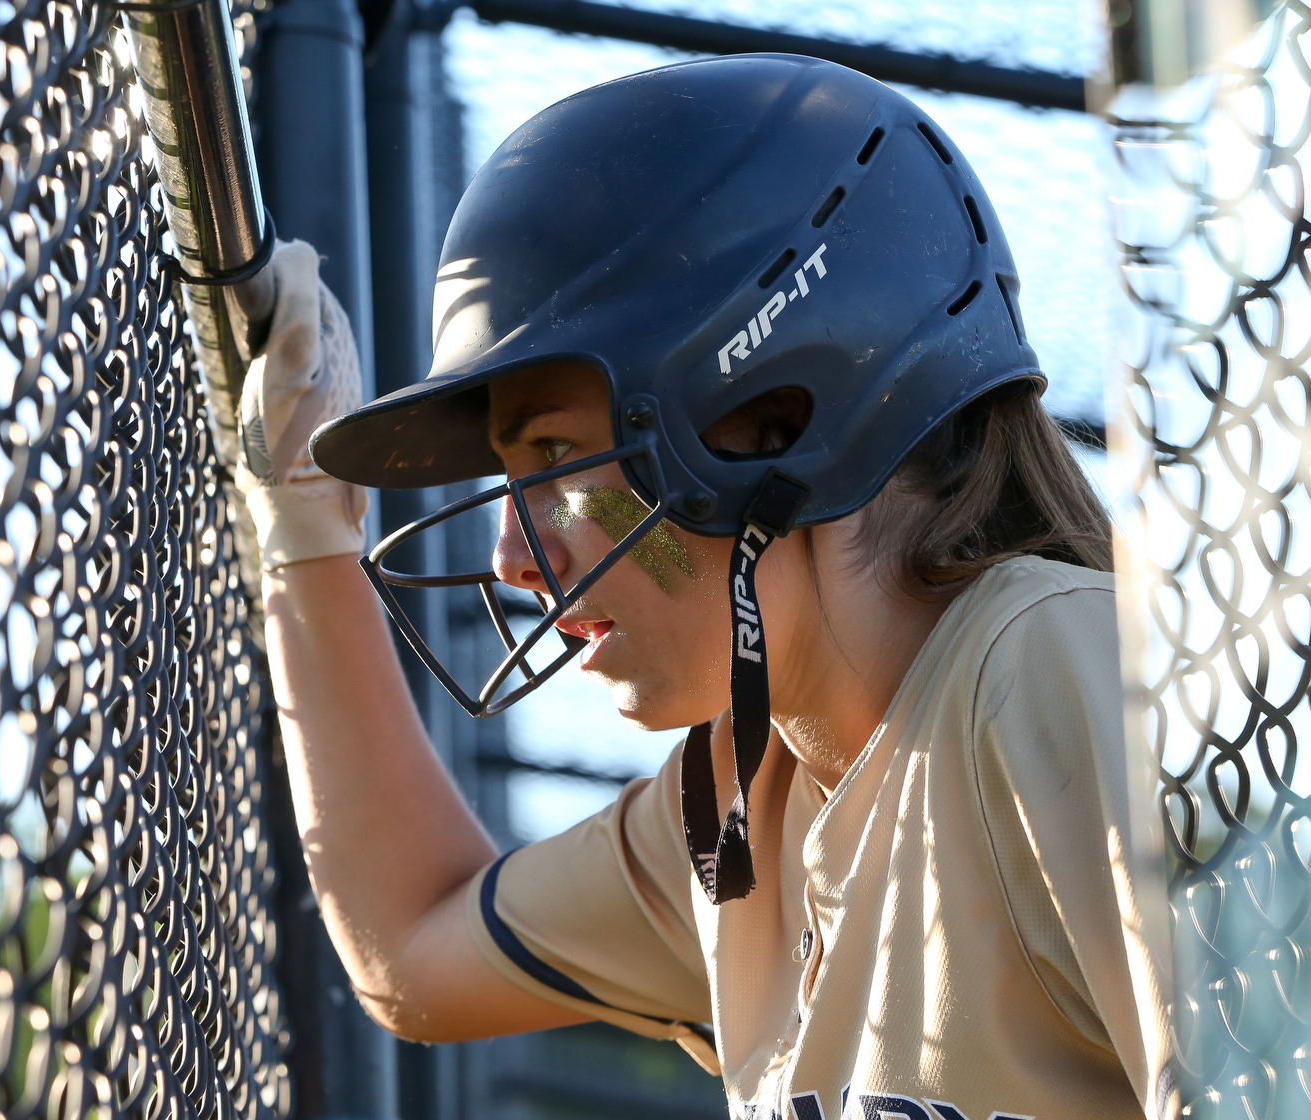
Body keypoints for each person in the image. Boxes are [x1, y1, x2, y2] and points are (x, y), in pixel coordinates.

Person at [233, 55, 1173, 1120]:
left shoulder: (1048, 664)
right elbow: (413, 939)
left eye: (549, 456)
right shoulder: (739, 808)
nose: (508, 556)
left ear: (777, 416)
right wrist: (305, 528)